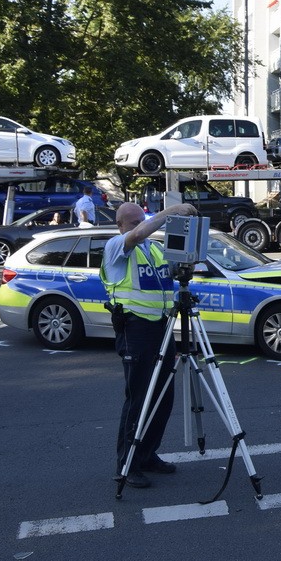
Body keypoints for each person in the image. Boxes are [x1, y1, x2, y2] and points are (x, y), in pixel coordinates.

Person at [102, 201, 197, 488]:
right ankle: (127, 463)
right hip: (135, 328)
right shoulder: (116, 245)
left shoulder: (154, 249)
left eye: (140, 220)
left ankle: (146, 454)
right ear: (120, 226)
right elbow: (136, 236)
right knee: (139, 398)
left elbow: (173, 273)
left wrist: (188, 260)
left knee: (162, 397)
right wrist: (171, 212)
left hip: (162, 327)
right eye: (133, 222)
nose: (138, 226)